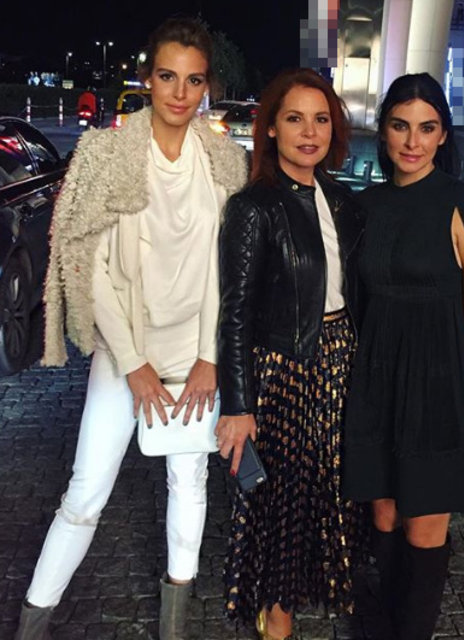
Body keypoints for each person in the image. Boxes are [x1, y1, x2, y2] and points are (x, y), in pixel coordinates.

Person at [15, 17, 247, 640]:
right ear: (148, 78)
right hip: (124, 354)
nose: (180, 92)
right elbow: (86, 266)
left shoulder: (224, 162)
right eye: (168, 76)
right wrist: (134, 363)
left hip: (196, 352)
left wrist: (210, 357)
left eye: (193, 80)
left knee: (188, 482)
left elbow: (230, 269)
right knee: (85, 490)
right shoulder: (106, 155)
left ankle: (174, 623)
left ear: (207, 86)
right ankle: (32, 621)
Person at [343, 72, 464, 640]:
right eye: (401, 126)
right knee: (383, 513)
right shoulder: (363, 206)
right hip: (377, 378)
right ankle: (384, 621)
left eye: (426, 128)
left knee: (424, 524)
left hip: (440, 382)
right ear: (383, 130)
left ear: (443, 135)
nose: (412, 141)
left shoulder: (463, 203)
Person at [216, 68, 368, 640]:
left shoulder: (343, 201)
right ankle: (276, 618)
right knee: (282, 501)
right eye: (295, 119)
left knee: (329, 489)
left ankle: (307, 592)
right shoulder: (253, 207)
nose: (310, 132)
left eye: (321, 119)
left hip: (340, 360)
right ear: (273, 129)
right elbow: (235, 312)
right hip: (284, 369)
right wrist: (238, 405)